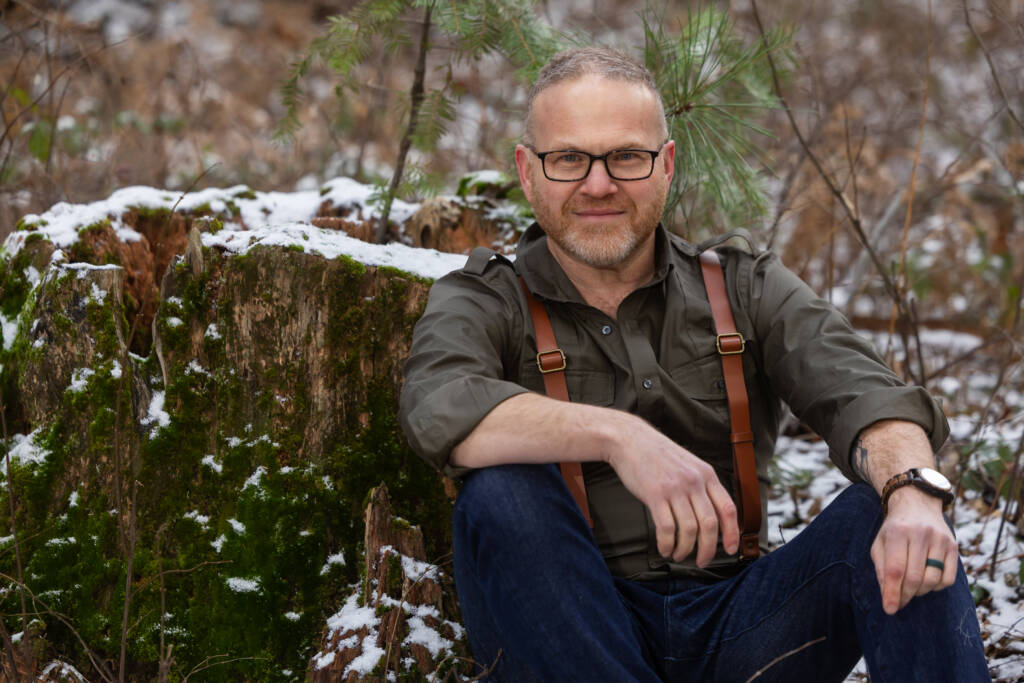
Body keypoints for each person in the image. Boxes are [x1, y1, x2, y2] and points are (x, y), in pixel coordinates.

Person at [399, 47, 990, 682]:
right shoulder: (485, 298)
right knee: (501, 493)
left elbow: (867, 396)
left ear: (667, 164)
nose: (598, 185)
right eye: (568, 158)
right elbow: (439, 405)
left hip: (743, 624)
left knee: (897, 514)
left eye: (627, 156)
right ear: (527, 170)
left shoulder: (743, 286)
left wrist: (911, 491)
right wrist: (620, 436)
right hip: (571, 631)